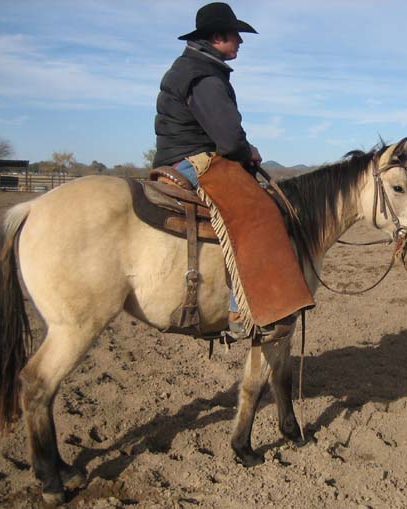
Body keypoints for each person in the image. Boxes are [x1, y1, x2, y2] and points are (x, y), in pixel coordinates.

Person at [153, 2, 263, 335]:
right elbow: (228, 140)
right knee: (257, 212)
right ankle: (239, 309)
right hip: (193, 160)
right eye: (235, 36)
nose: (240, 42)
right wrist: (249, 152)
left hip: (176, 155)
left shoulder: (193, 68)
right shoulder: (204, 77)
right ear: (217, 37)